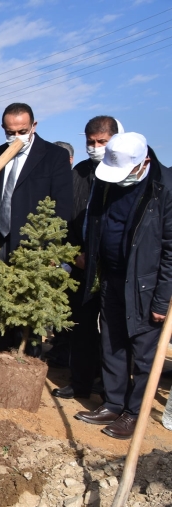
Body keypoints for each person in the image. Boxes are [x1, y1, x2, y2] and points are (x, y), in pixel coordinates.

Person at [75, 132, 172, 440]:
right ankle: (114, 402)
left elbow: (170, 249)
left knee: (144, 353)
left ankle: (134, 412)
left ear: (143, 163)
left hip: (146, 284)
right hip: (112, 276)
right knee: (112, 343)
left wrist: (161, 300)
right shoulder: (108, 182)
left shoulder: (164, 189)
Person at [0, 102, 73, 364]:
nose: (16, 137)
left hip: (33, 246)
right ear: (3, 129)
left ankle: (26, 358)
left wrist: (50, 248)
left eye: (22, 130)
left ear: (33, 126)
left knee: (28, 302)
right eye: (11, 132)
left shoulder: (53, 157)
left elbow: (62, 207)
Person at [51, 116, 122, 395]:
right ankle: (79, 382)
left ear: (114, 140)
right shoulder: (79, 173)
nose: (95, 147)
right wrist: (73, 253)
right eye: (90, 142)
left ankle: (109, 387)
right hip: (80, 263)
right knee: (80, 327)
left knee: (112, 330)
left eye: (101, 142)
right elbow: (66, 218)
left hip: (112, 266)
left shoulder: (123, 175)